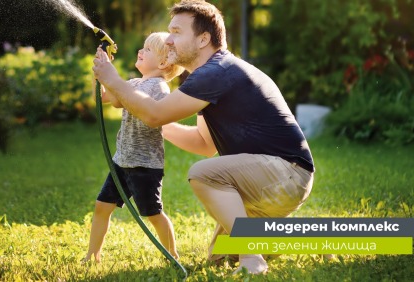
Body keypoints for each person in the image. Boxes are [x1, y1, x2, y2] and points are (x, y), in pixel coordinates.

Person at [92, 0, 315, 275]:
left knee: (202, 174)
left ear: (203, 39)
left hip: (285, 174)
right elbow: (204, 144)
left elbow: (154, 114)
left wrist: (113, 81)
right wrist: (152, 121)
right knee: (220, 258)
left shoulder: (215, 72)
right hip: (273, 179)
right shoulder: (207, 76)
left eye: (176, 32)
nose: (169, 41)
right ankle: (321, 238)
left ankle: (252, 259)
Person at [83, 32, 185, 263]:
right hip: (122, 160)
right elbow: (107, 97)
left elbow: (140, 106)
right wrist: (100, 73)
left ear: (162, 63)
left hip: (145, 165)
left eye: (147, 50)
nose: (141, 51)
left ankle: (172, 255)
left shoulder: (159, 88)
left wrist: (114, 80)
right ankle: (92, 254)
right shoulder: (132, 83)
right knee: (102, 206)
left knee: (153, 213)